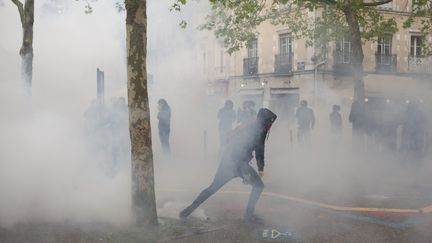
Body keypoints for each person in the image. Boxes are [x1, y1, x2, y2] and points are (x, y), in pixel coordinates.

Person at [179, 108, 277, 224]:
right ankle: (248, 215)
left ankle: (187, 211)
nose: (270, 125)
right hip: (238, 164)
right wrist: (260, 168)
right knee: (258, 186)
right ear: (264, 121)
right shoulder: (259, 130)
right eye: (270, 122)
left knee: (213, 188)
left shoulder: (251, 126)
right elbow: (259, 150)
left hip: (229, 161)